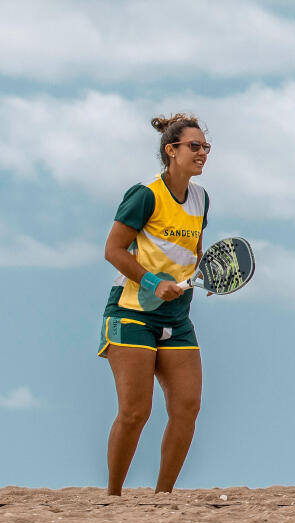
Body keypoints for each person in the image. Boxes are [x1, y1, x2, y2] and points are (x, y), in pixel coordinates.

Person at [99, 113, 213, 496]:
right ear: (171, 150)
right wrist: (153, 281)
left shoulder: (201, 198)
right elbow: (113, 250)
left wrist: (207, 276)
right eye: (194, 146)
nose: (202, 153)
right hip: (132, 311)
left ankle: (162, 499)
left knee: (188, 407)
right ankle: (113, 497)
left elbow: (193, 252)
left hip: (177, 318)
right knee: (135, 412)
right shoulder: (145, 194)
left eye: (205, 147)